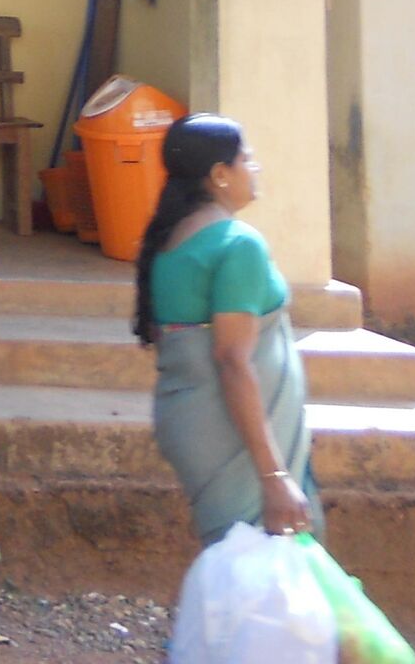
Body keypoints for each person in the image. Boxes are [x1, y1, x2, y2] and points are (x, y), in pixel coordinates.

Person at [136, 114, 321, 543]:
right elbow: (232, 360)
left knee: (239, 559)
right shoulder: (237, 245)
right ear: (220, 174)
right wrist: (274, 477)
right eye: (247, 159)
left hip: (194, 424)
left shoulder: (171, 238)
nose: (255, 169)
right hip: (232, 435)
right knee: (266, 562)